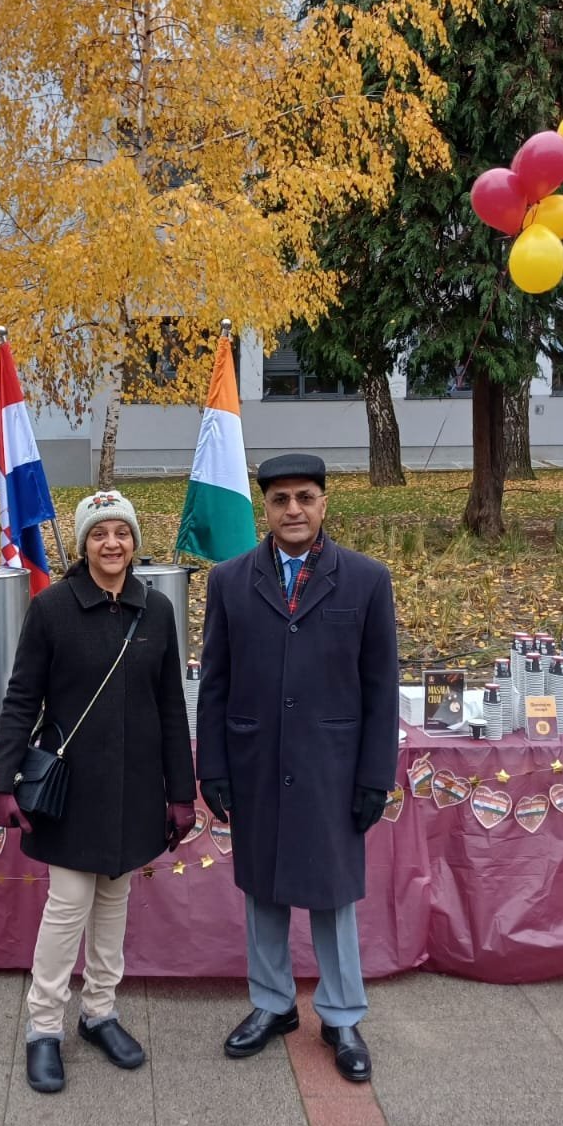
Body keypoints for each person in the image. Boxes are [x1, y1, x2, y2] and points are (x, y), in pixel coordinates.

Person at [0, 489, 197, 1094]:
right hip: (71, 791)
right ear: (83, 545)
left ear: (134, 541)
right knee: (68, 906)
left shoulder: (155, 611)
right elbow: (23, 696)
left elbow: (171, 708)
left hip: (134, 789)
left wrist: (180, 792)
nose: (112, 544)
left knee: (115, 901)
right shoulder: (51, 608)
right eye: (100, 533)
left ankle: (100, 1012)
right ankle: (44, 1027)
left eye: (122, 533)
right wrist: (2, 781)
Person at [196, 452, 397, 1083]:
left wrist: (374, 774)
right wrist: (214, 767)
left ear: (324, 503)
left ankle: (340, 1014)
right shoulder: (230, 580)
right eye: (281, 499)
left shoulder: (366, 580)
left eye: (305, 497)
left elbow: (380, 686)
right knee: (263, 890)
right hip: (256, 761)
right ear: (266, 507)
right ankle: (273, 1004)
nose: (293, 510)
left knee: (334, 894)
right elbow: (215, 683)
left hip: (331, 768)